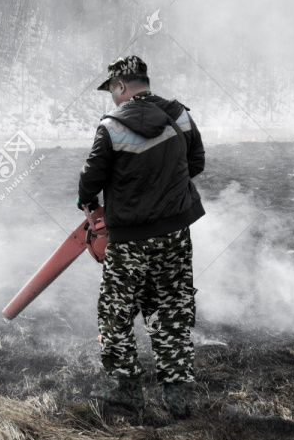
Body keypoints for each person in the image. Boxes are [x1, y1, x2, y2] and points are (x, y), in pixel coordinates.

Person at [77, 55, 205, 417]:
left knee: (115, 312)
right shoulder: (180, 115)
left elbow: (91, 182)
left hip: (129, 239)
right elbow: (195, 164)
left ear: (120, 86)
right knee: (173, 309)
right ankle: (178, 398)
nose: (112, 97)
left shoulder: (111, 126)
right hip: (176, 233)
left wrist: (89, 202)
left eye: (112, 90)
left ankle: (128, 391)